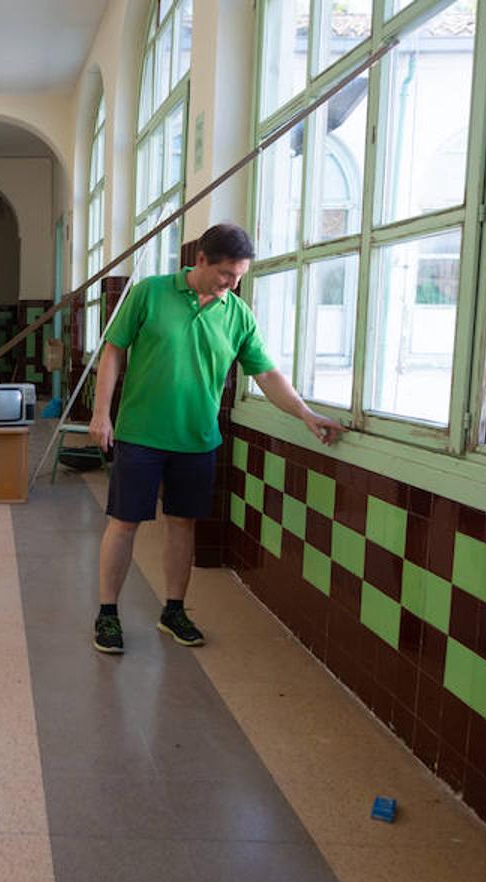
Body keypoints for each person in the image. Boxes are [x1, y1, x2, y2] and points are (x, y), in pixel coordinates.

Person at [89, 223, 346, 654]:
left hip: (198, 440)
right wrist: (101, 413)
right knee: (124, 523)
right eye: (227, 274)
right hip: (140, 435)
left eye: (240, 276)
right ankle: (107, 614)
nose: (232, 284)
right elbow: (114, 349)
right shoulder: (150, 293)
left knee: (182, 523)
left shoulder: (238, 314)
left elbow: (266, 373)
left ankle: (173, 610)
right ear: (201, 260)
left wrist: (304, 413)